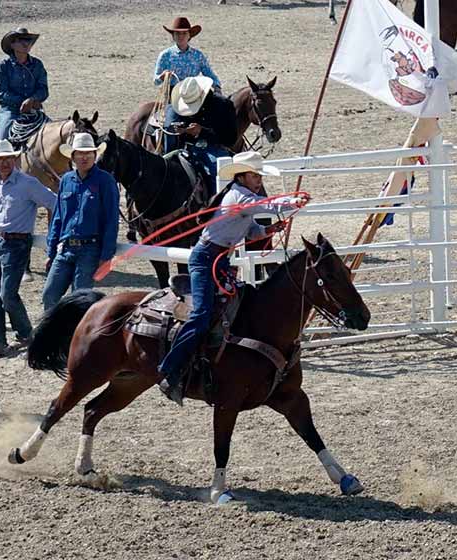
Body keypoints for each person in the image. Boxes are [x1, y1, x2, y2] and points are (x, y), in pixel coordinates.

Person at [157, 152, 309, 405]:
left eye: (259, 175)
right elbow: (266, 206)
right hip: (206, 259)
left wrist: (268, 230)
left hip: (218, 259)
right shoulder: (240, 196)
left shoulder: (241, 197)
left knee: (235, 303)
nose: (258, 180)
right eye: (254, 175)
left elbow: (250, 229)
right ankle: (169, 368)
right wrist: (293, 201)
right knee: (202, 315)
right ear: (241, 176)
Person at [0, 140, 57, 359]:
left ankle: (26, 334)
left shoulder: (28, 184)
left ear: (14, 159)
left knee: (7, 295)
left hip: (17, 244)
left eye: (7, 158)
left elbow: (54, 202)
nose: (4, 162)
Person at [42, 133, 119, 310]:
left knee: (79, 301)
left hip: (90, 250)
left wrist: (106, 256)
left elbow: (111, 220)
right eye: (80, 153)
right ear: (73, 156)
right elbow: (58, 218)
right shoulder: (66, 180)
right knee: (49, 295)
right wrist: (51, 249)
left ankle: (74, 337)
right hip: (65, 248)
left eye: (89, 153)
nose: (84, 157)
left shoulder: (105, 181)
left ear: (94, 155)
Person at [153, 17, 222, 153]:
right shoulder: (165, 55)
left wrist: (217, 86)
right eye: (177, 33)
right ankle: (170, 157)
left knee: (215, 120)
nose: (181, 36)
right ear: (173, 36)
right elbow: (156, 80)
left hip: (195, 95)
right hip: (173, 97)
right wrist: (162, 76)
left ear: (189, 35)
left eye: (184, 33)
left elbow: (210, 74)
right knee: (170, 126)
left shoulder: (198, 55)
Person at [168, 76, 238, 195]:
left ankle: (220, 204)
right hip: (184, 148)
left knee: (219, 172)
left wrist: (202, 132)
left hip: (214, 148)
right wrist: (180, 131)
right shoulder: (176, 108)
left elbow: (230, 138)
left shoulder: (223, 106)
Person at [0, 27, 49, 142]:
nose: (26, 43)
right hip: (10, 110)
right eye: (21, 40)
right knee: (1, 143)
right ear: (12, 45)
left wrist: (33, 99)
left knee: (55, 136)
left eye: (28, 41)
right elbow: (2, 93)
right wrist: (23, 101)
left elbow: (43, 89)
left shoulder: (37, 64)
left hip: (34, 110)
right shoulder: (3, 65)